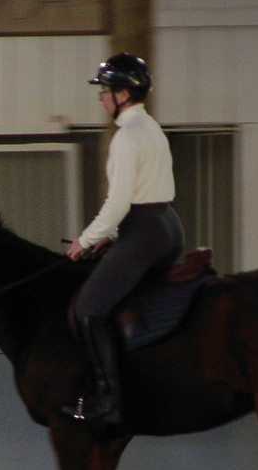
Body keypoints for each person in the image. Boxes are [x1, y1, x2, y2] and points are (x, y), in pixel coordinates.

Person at [65, 52, 184, 429]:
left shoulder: (126, 138)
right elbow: (144, 192)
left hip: (144, 232)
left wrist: (85, 240)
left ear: (123, 94)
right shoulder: (151, 128)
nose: (101, 98)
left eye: (105, 91)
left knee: (88, 308)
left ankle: (109, 401)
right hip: (167, 226)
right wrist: (113, 236)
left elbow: (118, 203)